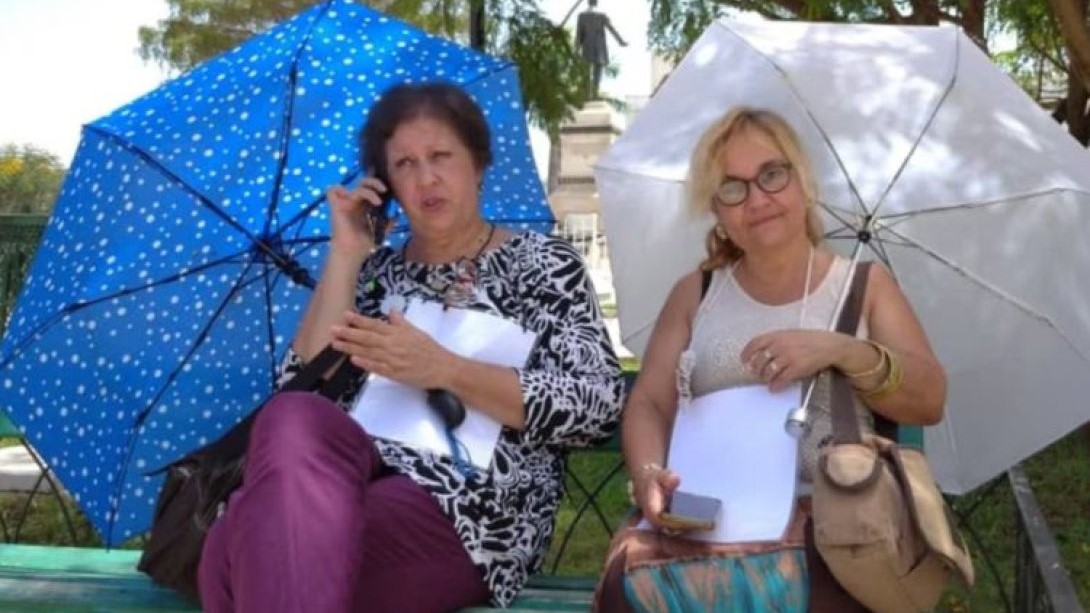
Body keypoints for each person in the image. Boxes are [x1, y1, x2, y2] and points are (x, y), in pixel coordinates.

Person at [198, 82, 625, 613]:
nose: (426, 178)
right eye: (404, 164)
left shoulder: (543, 266)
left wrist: (444, 369)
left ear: (479, 162)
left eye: (441, 156)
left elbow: (597, 406)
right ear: (386, 185)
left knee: (234, 550)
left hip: (473, 512)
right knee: (289, 419)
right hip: (350, 485)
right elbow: (297, 396)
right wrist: (347, 253)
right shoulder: (374, 277)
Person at [592, 107, 946, 612]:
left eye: (771, 175)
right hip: (705, 523)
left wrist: (842, 350)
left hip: (829, 528)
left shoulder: (863, 286)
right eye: (732, 188)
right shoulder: (697, 293)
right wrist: (649, 471)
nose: (757, 199)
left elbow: (929, 397)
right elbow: (649, 401)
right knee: (629, 589)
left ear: (802, 181)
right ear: (717, 210)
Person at [575, 0, 627, 99]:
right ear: (596, 2)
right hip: (599, 47)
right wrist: (621, 41)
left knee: (587, 71)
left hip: (587, 46)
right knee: (597, 72)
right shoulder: (601, 15)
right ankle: (595, 94)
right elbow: (611, 28)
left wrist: (576, 50)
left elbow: (578, 35)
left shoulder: (582, 16)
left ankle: (587, 95)